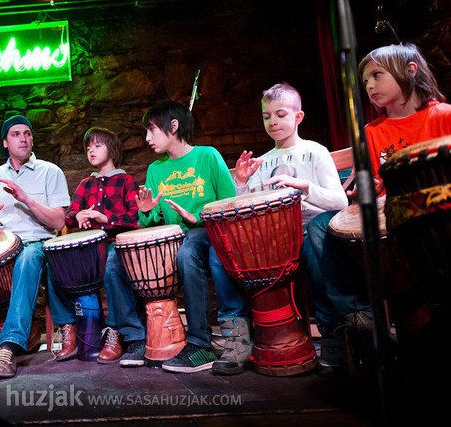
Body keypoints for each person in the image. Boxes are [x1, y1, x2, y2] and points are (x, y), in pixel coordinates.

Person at [307, 43, 451, 375]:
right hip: (397, 220)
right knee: (319, 227)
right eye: (365, 80)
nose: (369, 86)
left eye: (377, 75)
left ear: (410, 71)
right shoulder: (373, 133)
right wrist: (369, 187)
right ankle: (361, 319)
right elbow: (378, 181)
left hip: (437, 221)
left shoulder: (441, 116)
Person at [228, 83, 348, 375]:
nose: (272, 122)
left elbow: (340, 200)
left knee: (314, 249)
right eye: (267, 116)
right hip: (274, 240)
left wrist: (305, 187)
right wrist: (242, 184)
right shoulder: (263, 161)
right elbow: (248, 212)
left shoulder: (314, 152)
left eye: (280, 114)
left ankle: (332, 334)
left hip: (312, 232)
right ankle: (270, 335)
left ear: (298, 117)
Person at [134, 100, 236, 373]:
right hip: (173, 239)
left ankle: (201, 344)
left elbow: (230, 205)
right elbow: (151, 222)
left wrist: (198, 218)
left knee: (189, 250)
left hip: (207, 232)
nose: (147, 138)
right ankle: (144, 340)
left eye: (152, 130)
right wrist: (146, 212)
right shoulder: (156, 170)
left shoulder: (208, 156)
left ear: (174, 127)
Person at [0, 114, 73, 378]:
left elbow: (58, 220)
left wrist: (25, 199)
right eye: (16, 134)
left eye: (27, 133)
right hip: (3, 245)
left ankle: (8, 346)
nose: (24, 138)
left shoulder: (50, 171)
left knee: (29, 257)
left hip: (38, 243)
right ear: (5, 143)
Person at [64, 127, 140, 363]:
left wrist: (104, 218)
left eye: (97, 146)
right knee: (64, 269)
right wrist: (77, 217)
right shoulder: (86, 184)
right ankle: (77, 334)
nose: (91, 151)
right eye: (88, 148)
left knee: (110, 266)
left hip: (116, 244)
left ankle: (115, 331)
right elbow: (69, 215)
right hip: (90, 247)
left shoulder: (125, 180)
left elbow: (135, 218)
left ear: (112, 150)